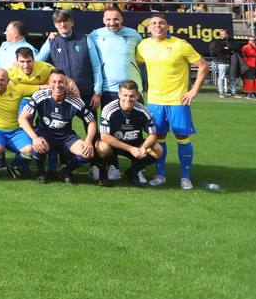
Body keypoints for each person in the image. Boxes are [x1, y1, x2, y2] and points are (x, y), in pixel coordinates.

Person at [135, 14, 210, 190]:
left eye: (161, 23)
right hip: (154, 101)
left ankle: (185, 177)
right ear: (148, 28)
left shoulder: (180, 45)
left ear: (167, 26)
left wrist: (194, 90)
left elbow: (203, 65)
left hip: (178, 101)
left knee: (182, 137)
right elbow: (133, 64)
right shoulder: (143, 46)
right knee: (157, 139)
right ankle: (160, 175)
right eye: (153, 23)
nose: (157, 26)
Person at [19, 69, 97, 185]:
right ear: (49, 84)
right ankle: (41, 172)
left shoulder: (75, 101)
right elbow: (22, 118)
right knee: (37, 146)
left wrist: (89, 141)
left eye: (61, 82)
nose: (57, 85)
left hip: (66, 136)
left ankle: (66, 171)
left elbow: (92, 122)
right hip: (45, 134)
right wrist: (34, 137)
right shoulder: (40, 96)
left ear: (66, 84)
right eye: (54, 82)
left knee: (87, 153)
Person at [0, 67, 42, 178]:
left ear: (8, 81)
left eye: (2, 80)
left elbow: (40, 88)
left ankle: (15, 166)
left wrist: (68, 84)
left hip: (14, 130)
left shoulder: (17, 89)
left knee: (30, 150)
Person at [96, 80, 163, 186]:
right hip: (114, 145)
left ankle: (132, 173)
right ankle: (103, 176)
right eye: (125, 95)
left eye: (131, 96)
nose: (128, 99)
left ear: (137, 96)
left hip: (136, 144)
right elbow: (104, 136)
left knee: (158, 149)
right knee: (102, 147)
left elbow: (153, 135)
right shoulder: (109, 109)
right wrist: (130, 149)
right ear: (119, 94)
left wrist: (142, 148)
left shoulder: (143, 110)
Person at [41, 9, 103, 108]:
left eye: (65, 21)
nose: (62, 24)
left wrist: (97, 93)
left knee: (91, 123)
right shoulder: (51, 41)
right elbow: (38, 64)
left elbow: (97, 67)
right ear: (55, 25)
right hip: (62, 93)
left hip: (86, 93)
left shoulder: (85, 40)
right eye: (59, 22)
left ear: (72, 22)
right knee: (62, 124)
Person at [89, 7, 142, 105]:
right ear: (104, 20)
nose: (112, 22)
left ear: (122, 19)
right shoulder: (95, 35)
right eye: (108, 19)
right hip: (109, 89)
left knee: (137, 119)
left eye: (116, 19)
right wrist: (55, 35)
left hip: (133, 88)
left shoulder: (134, 34)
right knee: (111, 119)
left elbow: (143, 54)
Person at [209, 28, 236, 98]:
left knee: (232, 78)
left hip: (230, 62)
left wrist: (227, 50)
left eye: (223, 34)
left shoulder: (232, 41)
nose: (221, 35)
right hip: (221, 62)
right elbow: (220, 50)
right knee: (221, 77)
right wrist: (229, 51)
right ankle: (221, 92)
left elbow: (235, 48)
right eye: (220, 34)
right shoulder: (218, 42)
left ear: (227, 34)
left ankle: (233, 92)